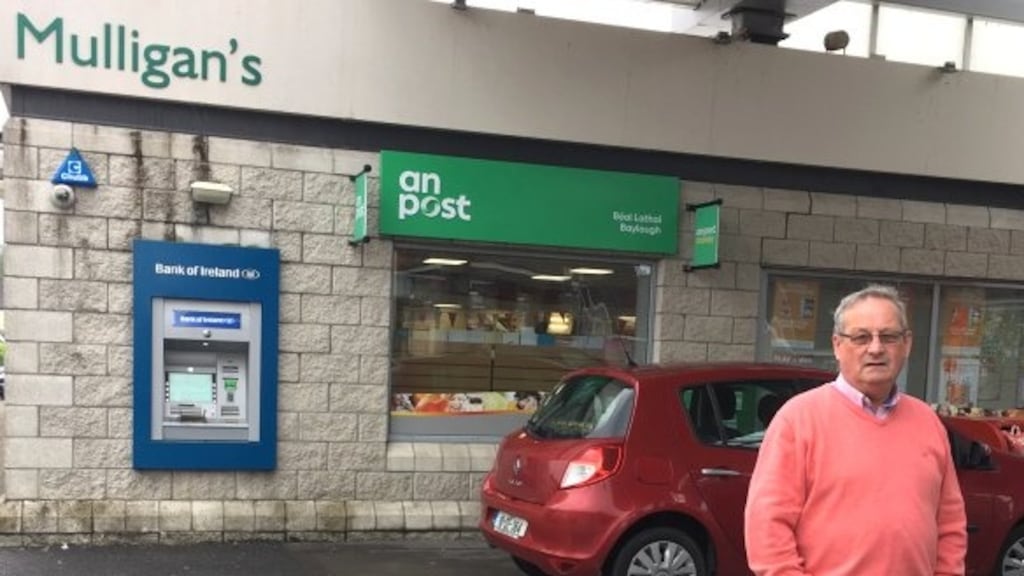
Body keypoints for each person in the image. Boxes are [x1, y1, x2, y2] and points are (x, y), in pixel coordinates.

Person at [744, 285, 967, 575]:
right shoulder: (798, 420)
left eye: (888, 337)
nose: (875, 348)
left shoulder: (927, 422)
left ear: (907, 344)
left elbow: (950, 522)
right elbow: (767, 524)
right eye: (861, 337)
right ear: (837, 345)